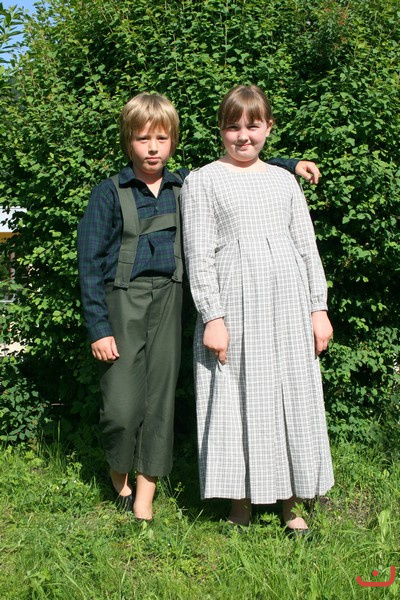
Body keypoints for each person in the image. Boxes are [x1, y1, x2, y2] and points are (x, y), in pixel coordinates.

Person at [77, 91, 323, 521]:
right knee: (126, 406)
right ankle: (127, 476)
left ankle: (147, 500)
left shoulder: (188, 183)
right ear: (127, 141)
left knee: (165, 402)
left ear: (173, 141)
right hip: (138, 301)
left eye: (161, 139)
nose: (152, 148)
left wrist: (290, 164)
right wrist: (100, 327)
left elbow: (253, 171)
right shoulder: (133, 190)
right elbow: (93, 263)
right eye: (142, 139)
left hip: (199, 300)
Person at [181, 85, 334, 533]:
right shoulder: (202, 180)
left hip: (288, 306)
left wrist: (318, 308)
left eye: (253, 126)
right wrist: (212, 317)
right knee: (237, 395)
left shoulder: (285, 181)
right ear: (221, 130)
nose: (243, 136)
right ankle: (241, 502)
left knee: (291, 395)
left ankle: (291, 502)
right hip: (234, 305)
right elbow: (199, 253)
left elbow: (306, 248)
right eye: (233, 127)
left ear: (268, 127)